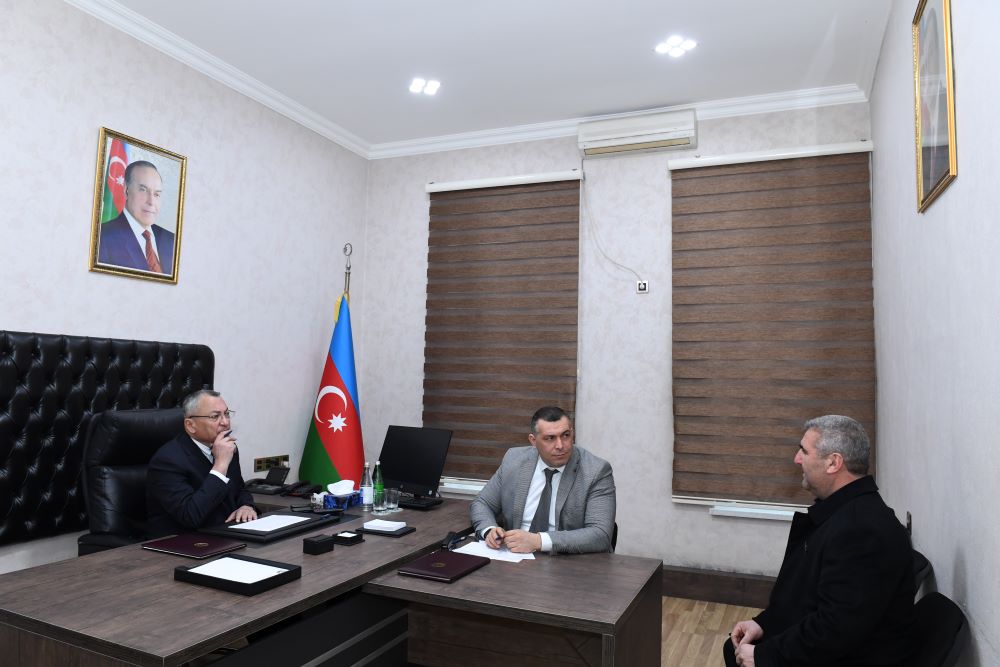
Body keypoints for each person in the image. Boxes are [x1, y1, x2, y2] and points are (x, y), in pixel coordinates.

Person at [725, 415, 916, 667]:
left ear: (833, 462)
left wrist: (766, 656)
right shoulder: (845, 512)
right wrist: (764, 624)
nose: (797, 459)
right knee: (734, 647)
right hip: (831, 647)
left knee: (738, 654)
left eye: (804, 451)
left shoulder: (861, 530)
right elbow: (807, 600)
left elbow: (835, 629)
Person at [470, 406, 616, 554]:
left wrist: (538, 541)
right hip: (513, 557)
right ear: (533, 440)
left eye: (565, 435)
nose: (560, 446)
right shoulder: (514, 459)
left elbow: (600, 534)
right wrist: (489, 530)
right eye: (550, 438)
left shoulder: (596, 471)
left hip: (567, 559)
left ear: (572, 433)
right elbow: (482, 503)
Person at [146, 390, 257, 538]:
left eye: (226, 414)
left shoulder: (226, 448)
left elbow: (239, 488)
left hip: (226, 535)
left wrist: (246, 506)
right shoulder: (167, 461)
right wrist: (220, 465)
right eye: (215, 416)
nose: (225, 422)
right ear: (190, 425)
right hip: (182, 542)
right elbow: (190, 516)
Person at [97, 160, 175, 274]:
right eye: (143, 190)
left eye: (157, 194)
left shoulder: (172, 240)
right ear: (126, 190)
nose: (151, 202)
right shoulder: (102, 237)